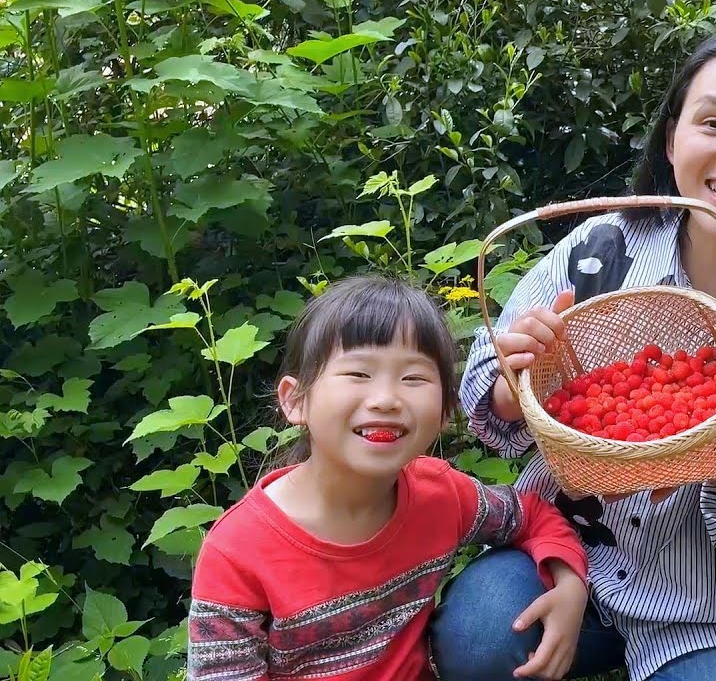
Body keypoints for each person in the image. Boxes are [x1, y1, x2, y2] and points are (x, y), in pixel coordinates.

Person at [431, 17, 716, 681]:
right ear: (673, 135)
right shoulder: (598, 253)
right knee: (482, 637)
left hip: (711, 612)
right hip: (565, 554)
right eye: (712, 124)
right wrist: (515, 382)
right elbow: (492, 398)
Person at [185, 275, 589, 681]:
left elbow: (531, 515)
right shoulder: (237, 552)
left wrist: (570, 584)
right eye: (358, 374)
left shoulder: (441, 495)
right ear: (295, 400)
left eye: (413, 379)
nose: (386, 399)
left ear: (447, 411)